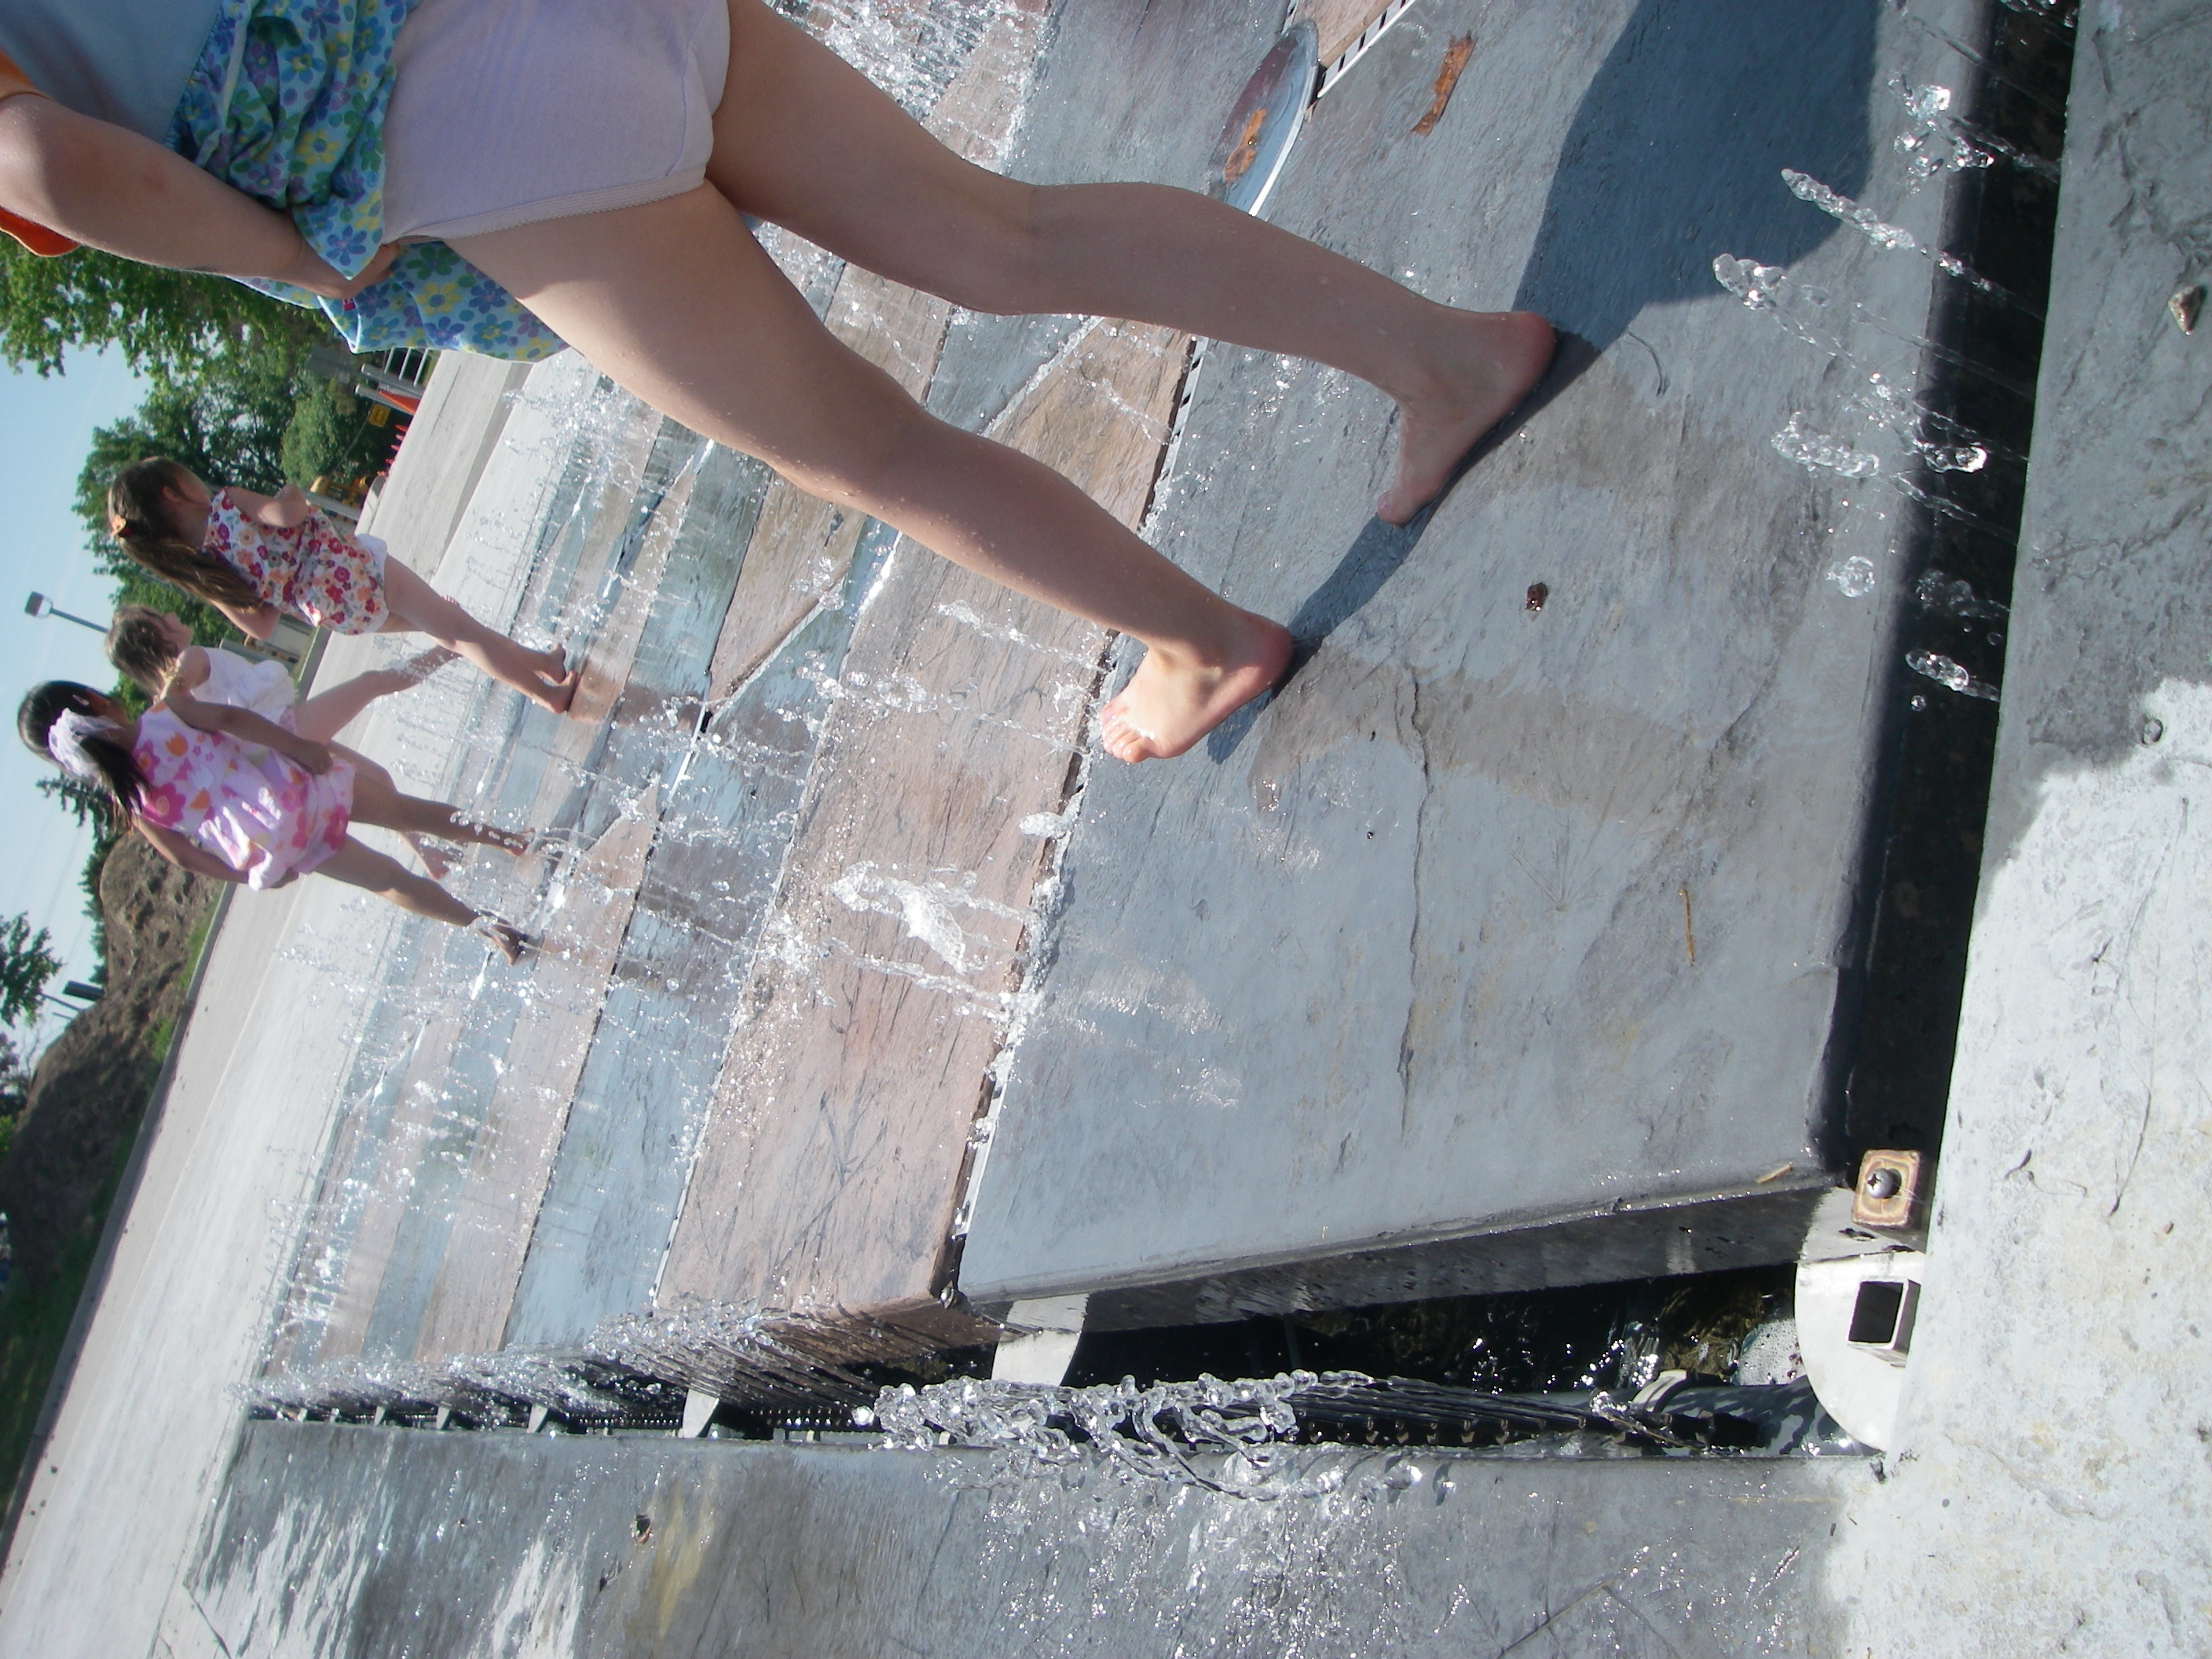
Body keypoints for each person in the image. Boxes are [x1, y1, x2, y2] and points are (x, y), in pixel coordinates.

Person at [0, 0, 1554, 762]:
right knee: (1004, 234)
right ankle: (1444, 356)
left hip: (451, 140)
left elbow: (47, 158)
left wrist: (298, 252)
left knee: (873, 451)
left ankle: (1200, 643)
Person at [19, 679, 533, 961]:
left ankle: (488, 928)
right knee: (407, 813)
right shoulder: (164, 714)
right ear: (92, 701)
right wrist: (297, 746)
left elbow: (183, 856)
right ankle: (510, 840)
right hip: (294, 785)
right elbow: (232, 720)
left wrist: (249, 875)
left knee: (388, 881)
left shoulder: (133, 802)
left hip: (275, 840)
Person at [104, 460, 580, 714]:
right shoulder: (228, 504)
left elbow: (262, 626)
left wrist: (280, 581)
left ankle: (546, 665)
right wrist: (291, 491)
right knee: (458, 633)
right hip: (352, 569)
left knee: (453, 626)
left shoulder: (203, 572)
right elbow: (287, 514)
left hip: (335, 611)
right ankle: (548, 696)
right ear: (172, 493)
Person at [105, 602, 466, 875]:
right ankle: (452, 646)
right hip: (285, 730)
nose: (171, 614)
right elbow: (180, 687)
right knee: (371, 683)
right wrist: (165, 699)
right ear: (155, 638)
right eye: (161, 618)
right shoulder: (188, 662)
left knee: (377, 778)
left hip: (274, 747)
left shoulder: (169, 705)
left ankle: (427, 855)